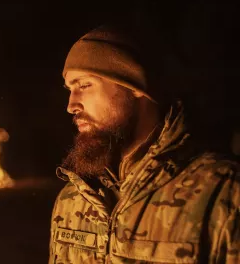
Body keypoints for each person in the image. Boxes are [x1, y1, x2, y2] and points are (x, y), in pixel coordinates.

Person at [49, 25, 240, 263]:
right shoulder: (72, 200)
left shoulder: (222, 192)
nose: (71, 104)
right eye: (70, 89)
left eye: (84, 85)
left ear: (136, 86)